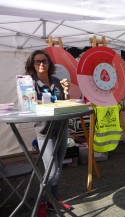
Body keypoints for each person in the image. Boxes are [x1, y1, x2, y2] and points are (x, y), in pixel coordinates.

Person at [25, 50, 71, 217]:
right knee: (52, 172)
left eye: (44, 61)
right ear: (33, 65)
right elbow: (28, 102)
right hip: (45, 132)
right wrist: (50, 101)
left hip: (61, 129)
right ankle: (41, 202)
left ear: (49, 63)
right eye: (37, 62)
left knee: (58, 169)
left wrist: (66, 92)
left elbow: (65, 104)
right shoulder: (30, 84)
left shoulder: (56, 81)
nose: (41, 64)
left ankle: (53, 199)